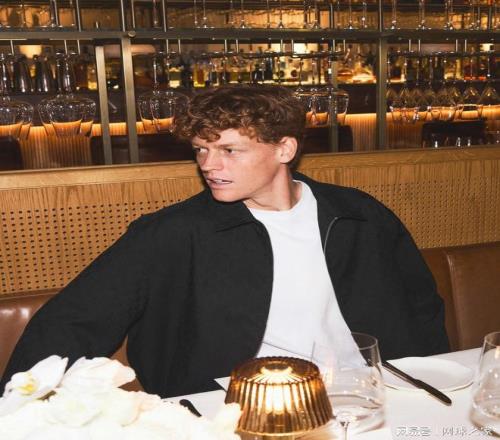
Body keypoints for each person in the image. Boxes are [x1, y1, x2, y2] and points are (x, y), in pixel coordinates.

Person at [1, 84, 449, 398]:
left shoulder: (359, 215)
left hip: (361, 393)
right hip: (232, 406)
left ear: (285, 149)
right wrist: (17, 406)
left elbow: (420, 305)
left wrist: (428, 381)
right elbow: (73, 321)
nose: (209, 165)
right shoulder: (173, 233)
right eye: (201, 149)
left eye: (229, 150)